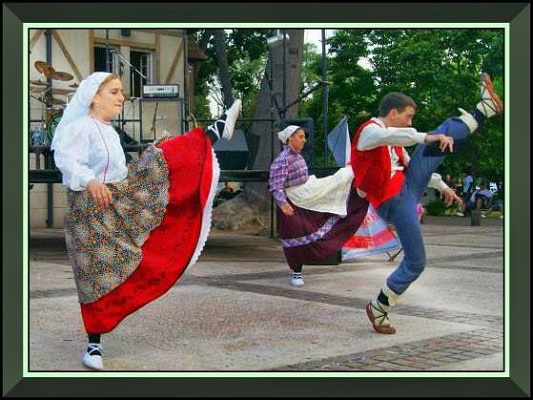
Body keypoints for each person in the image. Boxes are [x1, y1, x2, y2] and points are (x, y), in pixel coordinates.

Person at [50, 71, 242, 370]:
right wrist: (89, 181)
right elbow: (66, 159)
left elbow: (119, 171)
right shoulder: (80, 127)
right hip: (87, 213)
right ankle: (93, 345)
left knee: (158, 161)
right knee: (96, 277)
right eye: (114, 92)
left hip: (115, 200)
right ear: (94, 96)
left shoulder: (110, 131)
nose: (121, 97)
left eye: (120, 92)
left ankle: (213, 132)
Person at [350, 72, 503, 334]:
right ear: (393, 113)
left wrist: (445, 187)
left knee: (438, 140)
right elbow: (396, 137)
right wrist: (426, 137)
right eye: (408, 117)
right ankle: (380, 306)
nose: (411, 121)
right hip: (393, 201)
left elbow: (418, 167)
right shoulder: (369, 132)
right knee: (416, 262)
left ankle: (483, 109)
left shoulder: (397, 144)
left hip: (406, 190)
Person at [268, 125, 369, 287]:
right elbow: (275, 185)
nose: (304, 140)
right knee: (296, 233)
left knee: (342, 177)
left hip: (306, 195)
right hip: (294, 202)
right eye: (300, 137)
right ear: (290, 139)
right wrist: (283, 203)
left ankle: (360, 184)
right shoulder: (282, 160)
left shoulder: (298, 157)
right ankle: (296, 272)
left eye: (304, 137)